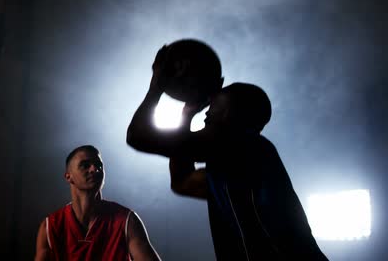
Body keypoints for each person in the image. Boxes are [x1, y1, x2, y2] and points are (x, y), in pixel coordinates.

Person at [127, 46, 328, 260]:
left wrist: (157, 85)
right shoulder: (233, 166)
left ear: (231, 114)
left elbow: (139, 136)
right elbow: (182, 182)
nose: (206, 112)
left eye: (213, 107)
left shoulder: (245, 146)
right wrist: (186, 115)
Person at [35, 145, 162, 261]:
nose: (94, 169)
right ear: (69, 177)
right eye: (85, 165)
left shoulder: (126, 220)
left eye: (99, 165)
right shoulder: (50, 226)